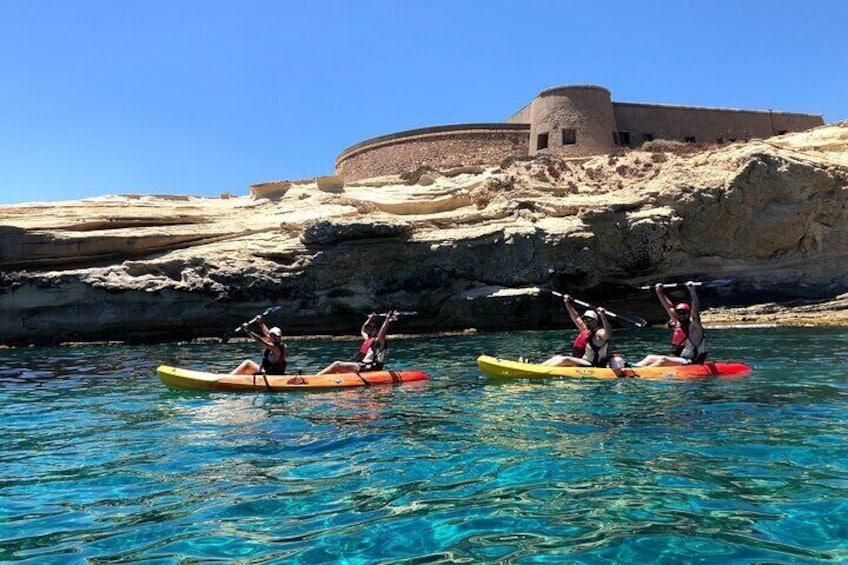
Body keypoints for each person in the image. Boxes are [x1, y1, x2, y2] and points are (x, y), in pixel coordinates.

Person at [634, 281, 708, 367]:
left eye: (684, 313)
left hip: (692, 361)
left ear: (689, 313)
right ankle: (631, 368)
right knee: (650, 358)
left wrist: (692, 291)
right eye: (679, 313)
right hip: (680, 359)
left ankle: (642, 372)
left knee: (663, 360)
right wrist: (659, 292)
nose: (681, 315)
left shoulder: (695, 326)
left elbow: (695, 311)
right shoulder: (678, 323)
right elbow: (669, 307)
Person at [541, 295, 612, 367]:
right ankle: (538, 367)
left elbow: (608, 334)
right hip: (584, 361)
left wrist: (603, 316)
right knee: (557, 357)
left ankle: (540, 371)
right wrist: (567, 303)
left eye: (589, 319)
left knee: (565, 359)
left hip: (594, 364)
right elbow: (576, 317)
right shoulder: (587, 330)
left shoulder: (599, 333)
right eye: (585, 319)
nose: (586, 321)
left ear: (596, 320)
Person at [317, 310, 395, 375]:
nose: (369, 330)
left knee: (337, 364)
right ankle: (319, 378)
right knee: (338, 369)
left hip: (370, 368)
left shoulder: (380, 342)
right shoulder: (368, 339)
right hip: (360, 366)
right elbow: (363, 330)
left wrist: (387, 320)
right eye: (369, 328)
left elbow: (382, 333)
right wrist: (369, 319)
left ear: (377, 331)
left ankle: (315, 378)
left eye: (372, 328)